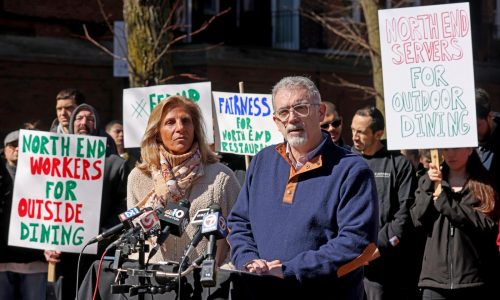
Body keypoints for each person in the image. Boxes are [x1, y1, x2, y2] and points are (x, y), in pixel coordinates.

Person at [227, 76, 379, 299]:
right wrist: (248, 260)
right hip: (260, 292)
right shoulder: (262, 161)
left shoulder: (352, 170)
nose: (292, 118)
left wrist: (289, 271)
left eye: (301, 108)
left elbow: (357, 244)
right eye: (284, 112)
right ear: (276, 121)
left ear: (320, 112)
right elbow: (239, 223)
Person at [127, 95, 241, 265]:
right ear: (157, 132)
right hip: (155, 283)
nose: (180, 128)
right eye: (170, 122)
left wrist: (225, 272)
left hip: (207, 285)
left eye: (186, 121)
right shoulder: (138, 177)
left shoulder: (221, 176)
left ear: (195, 128)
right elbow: (135, 239)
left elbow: (241, 234)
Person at [47, 103, 130, 300]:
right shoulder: (55, 161)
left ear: (97, 125)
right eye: (79, 118)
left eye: (90, 119)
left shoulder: (115, 164)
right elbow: (43, 203)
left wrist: (101, 235)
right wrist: (46, 241)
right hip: (62, 253)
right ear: (72, 123)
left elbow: (123, 208)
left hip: (97, 253)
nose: (84, 122)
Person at [350, 105, 421, 300]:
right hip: (348, 260)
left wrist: (376, 246)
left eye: (361, 132)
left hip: (383, 266)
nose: (355, 136)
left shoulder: (398, 163)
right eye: (353, 130)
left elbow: (404, 214)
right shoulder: (347, 160)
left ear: (378, 133)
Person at [410, 148, 499, 299]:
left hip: (473, 281)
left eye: (456, 148)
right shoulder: (428, 182)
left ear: (470, 149)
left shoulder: (483, 184)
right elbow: (417, 220)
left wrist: (447, 204)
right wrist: (428, 187)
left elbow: (488, 225)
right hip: (434, 282)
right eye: (446, 149)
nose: (451, 154)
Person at [0, 130, 49, 300]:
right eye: (13, 145)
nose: (18, 149)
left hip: (35, 262)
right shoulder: (1, 176)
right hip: (3, 262)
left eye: (22, 145)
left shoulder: (46, 176)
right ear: (4, 150)